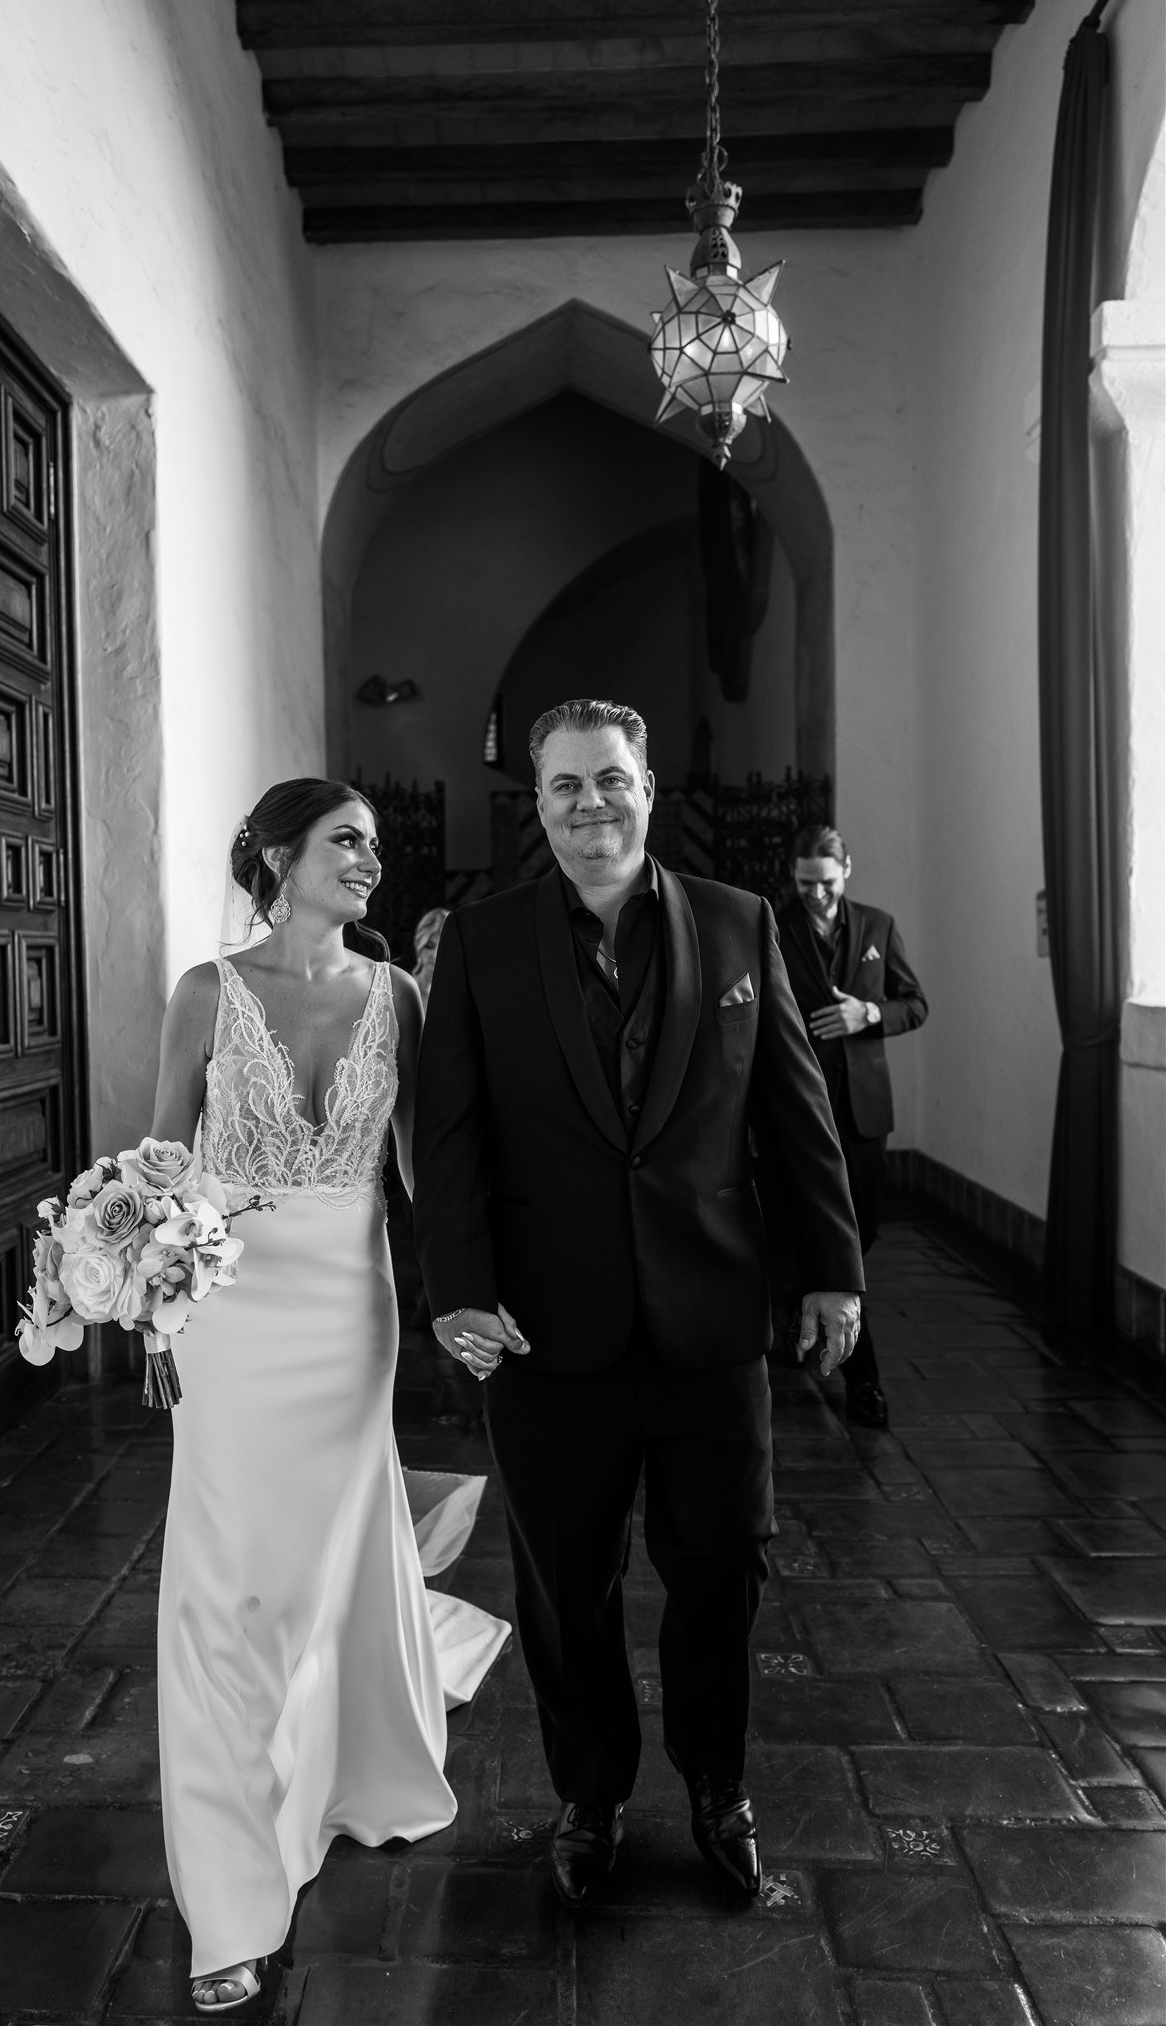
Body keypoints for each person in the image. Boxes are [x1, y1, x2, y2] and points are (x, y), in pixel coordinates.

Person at [412, 699, 864, 1912]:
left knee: (722, 1572)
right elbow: (447, 1137)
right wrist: (458, 1291)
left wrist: (830, 1266)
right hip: (544, 1331)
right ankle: (590, 1794)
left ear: (648, 787)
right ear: (537, 804)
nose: (588, 804)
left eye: (609, 779)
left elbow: (794, 1110)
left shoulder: (737, 923)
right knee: (565, 1582)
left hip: (710, 1324)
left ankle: (718, 1786)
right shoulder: (481, 942)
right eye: (562, 786)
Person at [150, 779, 507, 2013]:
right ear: (275, 856)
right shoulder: (207, 992)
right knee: (230, 1578)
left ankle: (348, 1763)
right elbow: (158, 1166)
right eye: (343, 840)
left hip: (349, 1317)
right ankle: (235, 1883)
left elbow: (423, 1172)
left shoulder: (395, 995)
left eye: (370, 841)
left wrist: (472, 1291)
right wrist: (147, 1294)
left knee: (329, 1556)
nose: (369, 857)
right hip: (226, 1321)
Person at [777, 825, 929, 1431]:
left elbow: (914, 1004)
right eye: (805, 883)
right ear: (793, 874)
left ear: (847, 872)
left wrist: (867, 1013)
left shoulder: (878, 926)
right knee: (801, 1236)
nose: (816, 895)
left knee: (859, 1236)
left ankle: (815, 1320)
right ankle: (864, 1381)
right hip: (797, 1110)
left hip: (863, 1116)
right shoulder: (770, 923)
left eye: (827, 883)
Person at [411, 906, 450, 1008]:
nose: (435, 954)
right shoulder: (406, 990)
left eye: (442, 947)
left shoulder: (460, 996)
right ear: (419, 946)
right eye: (429, 946)